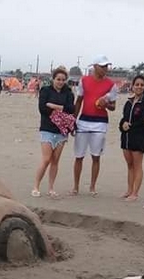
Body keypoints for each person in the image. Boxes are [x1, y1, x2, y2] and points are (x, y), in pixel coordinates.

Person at [71, 55, 118, 196]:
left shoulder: (111, 85)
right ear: (95, 66)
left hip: (100, 122)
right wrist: (73, 119)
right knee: (79, 156)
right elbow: (79, 101)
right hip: (84, 121)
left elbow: (113, 107)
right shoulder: (84, 81)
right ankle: (76, 186)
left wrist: (106, 104)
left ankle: (92, 187)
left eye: (107, 66)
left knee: (96, 156)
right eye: (103, 66)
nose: (106, 69)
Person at [32, 66, 75, 198]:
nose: (60, 82)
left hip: (62, 131)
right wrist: (57, 109)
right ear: (53, 79)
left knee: (55, 160)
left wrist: (54, 106)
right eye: (58, 79)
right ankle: (36, 186)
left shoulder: (68, 93)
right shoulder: (45, 90)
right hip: (47, 129)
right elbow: (42, 109)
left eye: (63, 80)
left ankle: (51, 188)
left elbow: (70, 109)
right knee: (46, 159)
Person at [119, 75, 144, 201]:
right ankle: (129, 190)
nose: (139, 87)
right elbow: (124, 118)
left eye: (142, 85)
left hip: (139, 137)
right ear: (133, 86)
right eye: (137, 84)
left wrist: (130, 126)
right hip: (126, 138)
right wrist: (123, 125)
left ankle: (135, 193)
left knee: (137, 165)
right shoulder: (128, 102)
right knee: (129, 165)